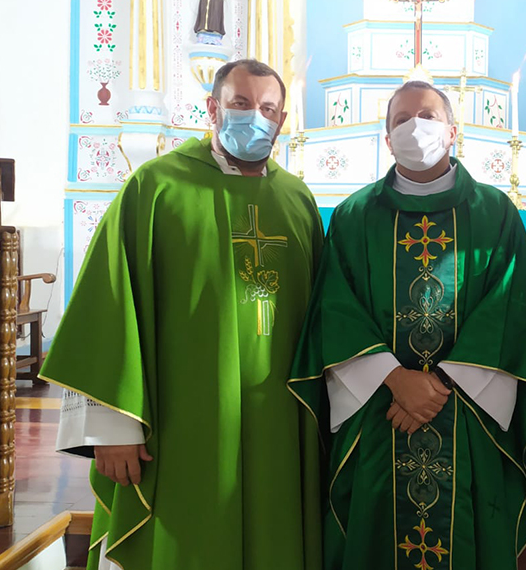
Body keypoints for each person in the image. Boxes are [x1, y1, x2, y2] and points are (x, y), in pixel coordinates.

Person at [41, 59, 323, 570]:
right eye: (240, 104)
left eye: (267, 108)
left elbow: (325, 317)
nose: (254, 117)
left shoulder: (297, 200)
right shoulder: (156, 188)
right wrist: (112, 429)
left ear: (282, 120)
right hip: (178, 422)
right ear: (212, 109)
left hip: (278, 421)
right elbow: (108, 308)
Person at [289, 80, 526, 570]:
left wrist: (437, 384)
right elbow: (334, 307)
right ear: (387, 137)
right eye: (402, 119)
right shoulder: (355, 215)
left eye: (430, 116)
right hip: (378, 411)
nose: (417, 127)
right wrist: (396, 380)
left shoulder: (494, 211)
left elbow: (510, 306)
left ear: (453, 131)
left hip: (468, 413)